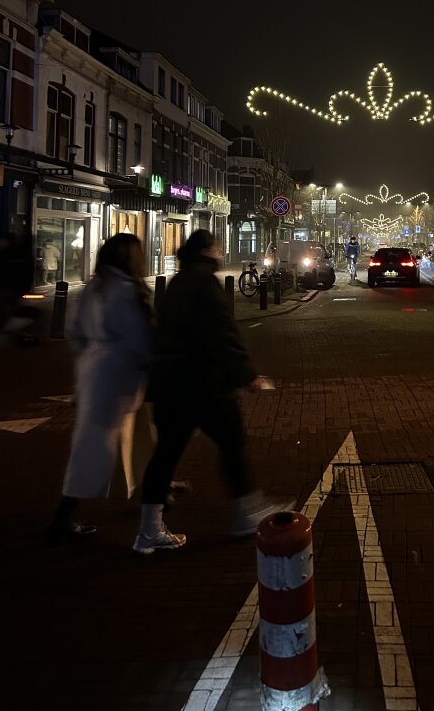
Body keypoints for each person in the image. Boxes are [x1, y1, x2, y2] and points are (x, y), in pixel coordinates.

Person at [134, 230, 291, 555]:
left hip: (171, 385)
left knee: (166, 455)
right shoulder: (205, 283)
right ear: (207, 251)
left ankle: (149, 529)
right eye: (217, 247)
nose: (220, 253)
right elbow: (222, 332)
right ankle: (246, 512)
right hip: (203, 385)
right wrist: (246, 374)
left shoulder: (178, 282)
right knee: (232, 443)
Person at [48, 234, 154, 544]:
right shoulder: (125, 291)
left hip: (94, 371)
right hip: (117, 374)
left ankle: (150, 487)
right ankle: (63, 516)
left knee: (120, 438)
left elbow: (75, 331)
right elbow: (139, 338)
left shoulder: (93, 288)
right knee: (95, 448)